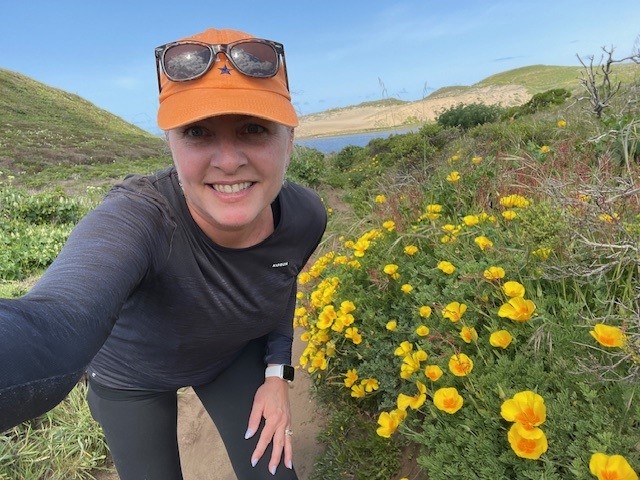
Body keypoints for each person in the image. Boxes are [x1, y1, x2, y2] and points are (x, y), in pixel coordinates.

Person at [0, 27, 326, 479]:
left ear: (289, 138)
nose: (228, 161)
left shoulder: (306, 217)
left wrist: (277, 374)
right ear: (170, 145)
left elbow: (278, 287)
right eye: (197, 131)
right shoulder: (138, 217)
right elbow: (55, 323)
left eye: (254, 129)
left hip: (227, 357)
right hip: (131, 378)